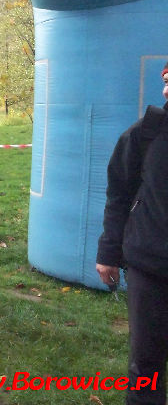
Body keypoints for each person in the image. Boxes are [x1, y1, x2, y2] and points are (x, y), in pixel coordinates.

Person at [96, 62, 168, 404]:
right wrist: (109, 253)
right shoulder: (145, 135)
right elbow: (119, 194)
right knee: (147, 367)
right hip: (150, 267)